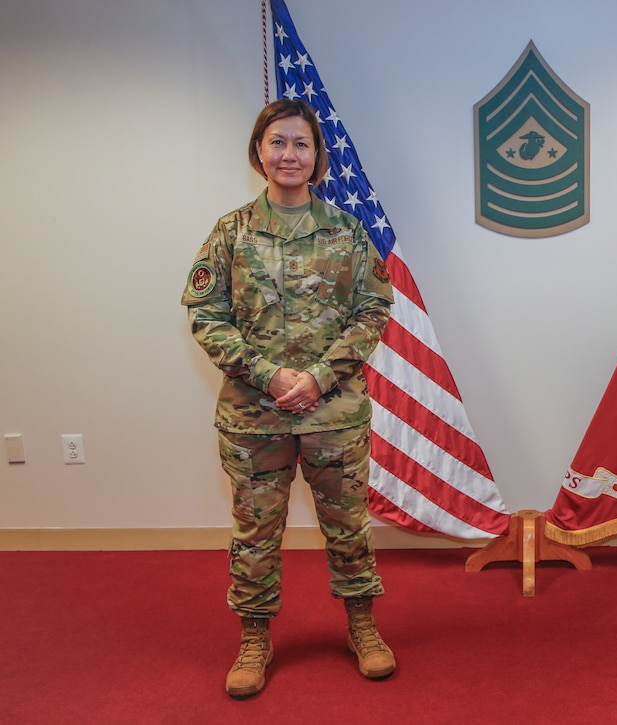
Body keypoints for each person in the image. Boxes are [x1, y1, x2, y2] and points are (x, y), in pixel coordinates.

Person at [182, 99, 396, 697]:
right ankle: (254, 636)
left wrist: (322, 375)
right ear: (259, 151)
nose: (289, 155)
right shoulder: (231, 232)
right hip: (255, 417)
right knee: (255, 533)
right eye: (278, 142)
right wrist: (267, 374)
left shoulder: (347, 232)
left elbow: (374, 308)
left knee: (348, 526)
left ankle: (363, 627)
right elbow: (206, 311)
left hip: (334, 413)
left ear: (318, 157)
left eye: (301, 144)